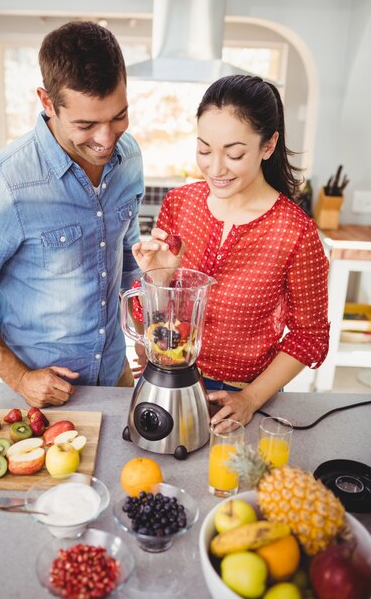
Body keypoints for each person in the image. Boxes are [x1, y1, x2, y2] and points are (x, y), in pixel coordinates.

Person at [0, 21, 145, 407]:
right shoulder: (2, 186)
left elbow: (126, 254)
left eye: (119, 117)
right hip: (39, 396)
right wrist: (20, 378)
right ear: (46, 101)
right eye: (86, 124)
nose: (107, 140)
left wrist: (145, 332)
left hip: (115, 375)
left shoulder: (130, 158)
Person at [132, 75, 330, 426]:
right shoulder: (180, 204)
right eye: (204, 149)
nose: (215, 168)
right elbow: (147, 315)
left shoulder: (296, 233)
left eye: (234, 153)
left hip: (244, 396)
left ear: (268, 146)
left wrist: (250, 399)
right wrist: (158, 280)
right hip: (170, 382)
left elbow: (308, 336)